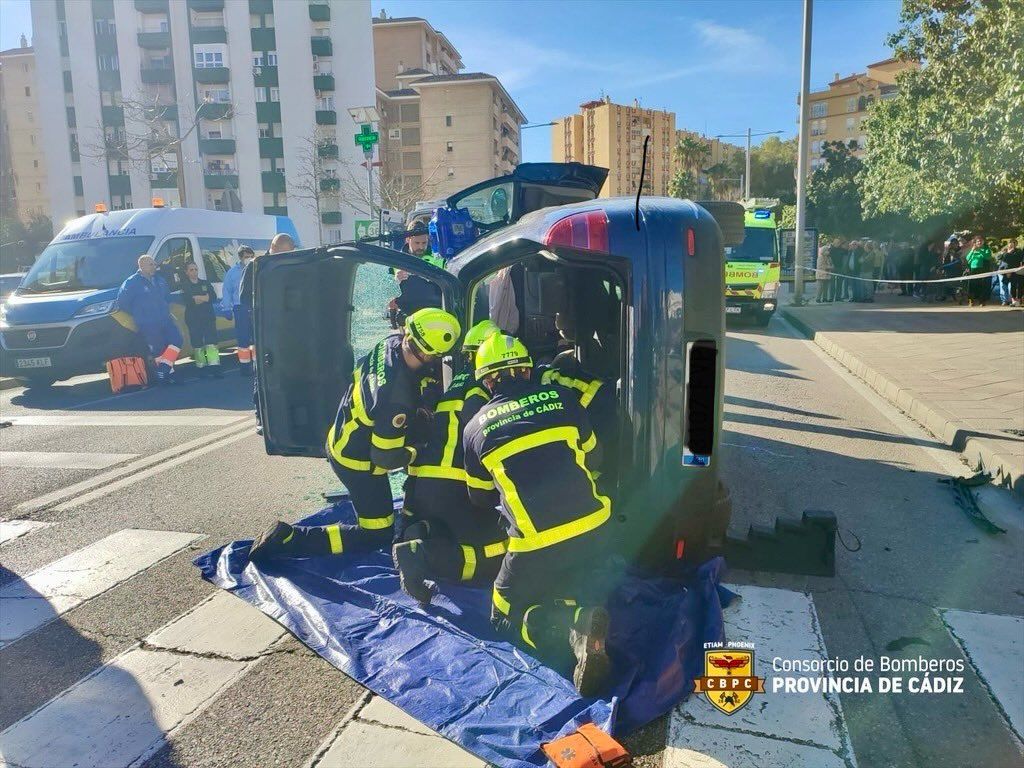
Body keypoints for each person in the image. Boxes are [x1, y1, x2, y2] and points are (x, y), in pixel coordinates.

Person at [248, 307, 462, 562]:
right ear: (429, 352)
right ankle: (290, 538)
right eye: (439, 356)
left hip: (342, 435)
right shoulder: (397, 400)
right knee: (378, 533)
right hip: (359, 463)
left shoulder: (391, 343)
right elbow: (386, 458)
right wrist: (421, 449)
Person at [463, 333, 612, 695]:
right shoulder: (564, 398)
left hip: (536, 542)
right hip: (597, 528)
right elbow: (595, 460)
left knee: (501, 617)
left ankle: (572, 627)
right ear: (527, 371)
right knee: (568, 574)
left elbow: (480, 497)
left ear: (487, 381)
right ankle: (579, 611)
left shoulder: (474, 429)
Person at [392, 319, 509, 603]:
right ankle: (423, 557)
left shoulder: (456, 383)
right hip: (454, 486)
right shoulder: (481, 391)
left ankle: (424, 531)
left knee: (457, 530)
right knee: (500, 554)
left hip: (423, 486)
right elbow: (480, 440)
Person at [242, 234, 296, 433]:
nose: (286, 257)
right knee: (263, 373)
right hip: (264, 330)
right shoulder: (256, 266)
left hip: (286, 329)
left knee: (287, 373)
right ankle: (261, 417)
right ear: (273, 248)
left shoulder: (290, 265)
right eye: (283, 254)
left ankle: (284, 415)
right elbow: (245, 298)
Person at [115, 255, 183, 385]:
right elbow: (123, 302)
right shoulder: (132, 282)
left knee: (177, 340)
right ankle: (169, 376)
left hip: (164, 318)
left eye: (154, 264)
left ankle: (163, 370)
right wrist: (140, 313)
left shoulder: (159, 280)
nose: (155, 266)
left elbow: (167, 297)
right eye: (151, 264)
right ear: (142, 266)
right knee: (158, 350)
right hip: (147, 322)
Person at [390, 225, 443, 324]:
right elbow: (386, 292)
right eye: (417, 243)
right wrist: (396, 280)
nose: (421, 247)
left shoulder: (438, 259)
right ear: (408, 239)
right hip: (407, 318)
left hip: (434, 314)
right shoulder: (396, 260)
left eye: (424, 243)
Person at [181, 261, 222, 379]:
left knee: (211, 343)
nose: (194, 272)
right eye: (191, 270)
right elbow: (189, 300)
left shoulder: (205, 283)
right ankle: (201, 369)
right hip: (194, 319)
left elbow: (213, 297)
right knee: (197, 344)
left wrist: (198, 297)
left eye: (195, 269)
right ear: (186, 272)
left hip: (208, 317)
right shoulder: (185, 286)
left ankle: (215, 369)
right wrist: (205, 297)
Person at [220, 245, 255, 375]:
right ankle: (245, 367)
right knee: (243, 339)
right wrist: (227, 308)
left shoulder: (255, 268)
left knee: (256, 338)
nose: (249, 259)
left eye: (251, 256)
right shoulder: (232, 273)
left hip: (254, 307)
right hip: (240, 307)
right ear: (240, 257)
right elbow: (227, 291)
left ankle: (257, 365)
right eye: (246, 257)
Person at [964, 235, 993, 306]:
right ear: (975, 243)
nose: (979, 242)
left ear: (983, 242)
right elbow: (967, 258)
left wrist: (979, 250)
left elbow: (988, 257)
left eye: (980, 241)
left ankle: (982, 301)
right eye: (978, 241)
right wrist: (972, 250)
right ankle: (971, 300)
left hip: (983, 269)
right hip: (973, 270)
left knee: (982, 286)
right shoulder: (973, 249)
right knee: (972, 286)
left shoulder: (986, 249)